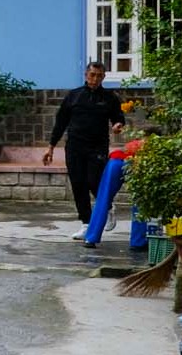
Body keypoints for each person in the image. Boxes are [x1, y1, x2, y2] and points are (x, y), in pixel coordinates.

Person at [44, 60, 126, 238]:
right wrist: (50, 146)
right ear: (86, 75)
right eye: (92, 75)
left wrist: (118, 124)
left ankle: (108, 205)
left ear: (103, 77)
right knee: (78, 184)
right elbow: (61, 122)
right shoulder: (74, 96)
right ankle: (86, 223)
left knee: (93, 180)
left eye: (99, 76)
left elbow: (118, 116)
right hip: (74, 146)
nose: (95, 79)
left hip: (97, 146)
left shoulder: (109, 98)